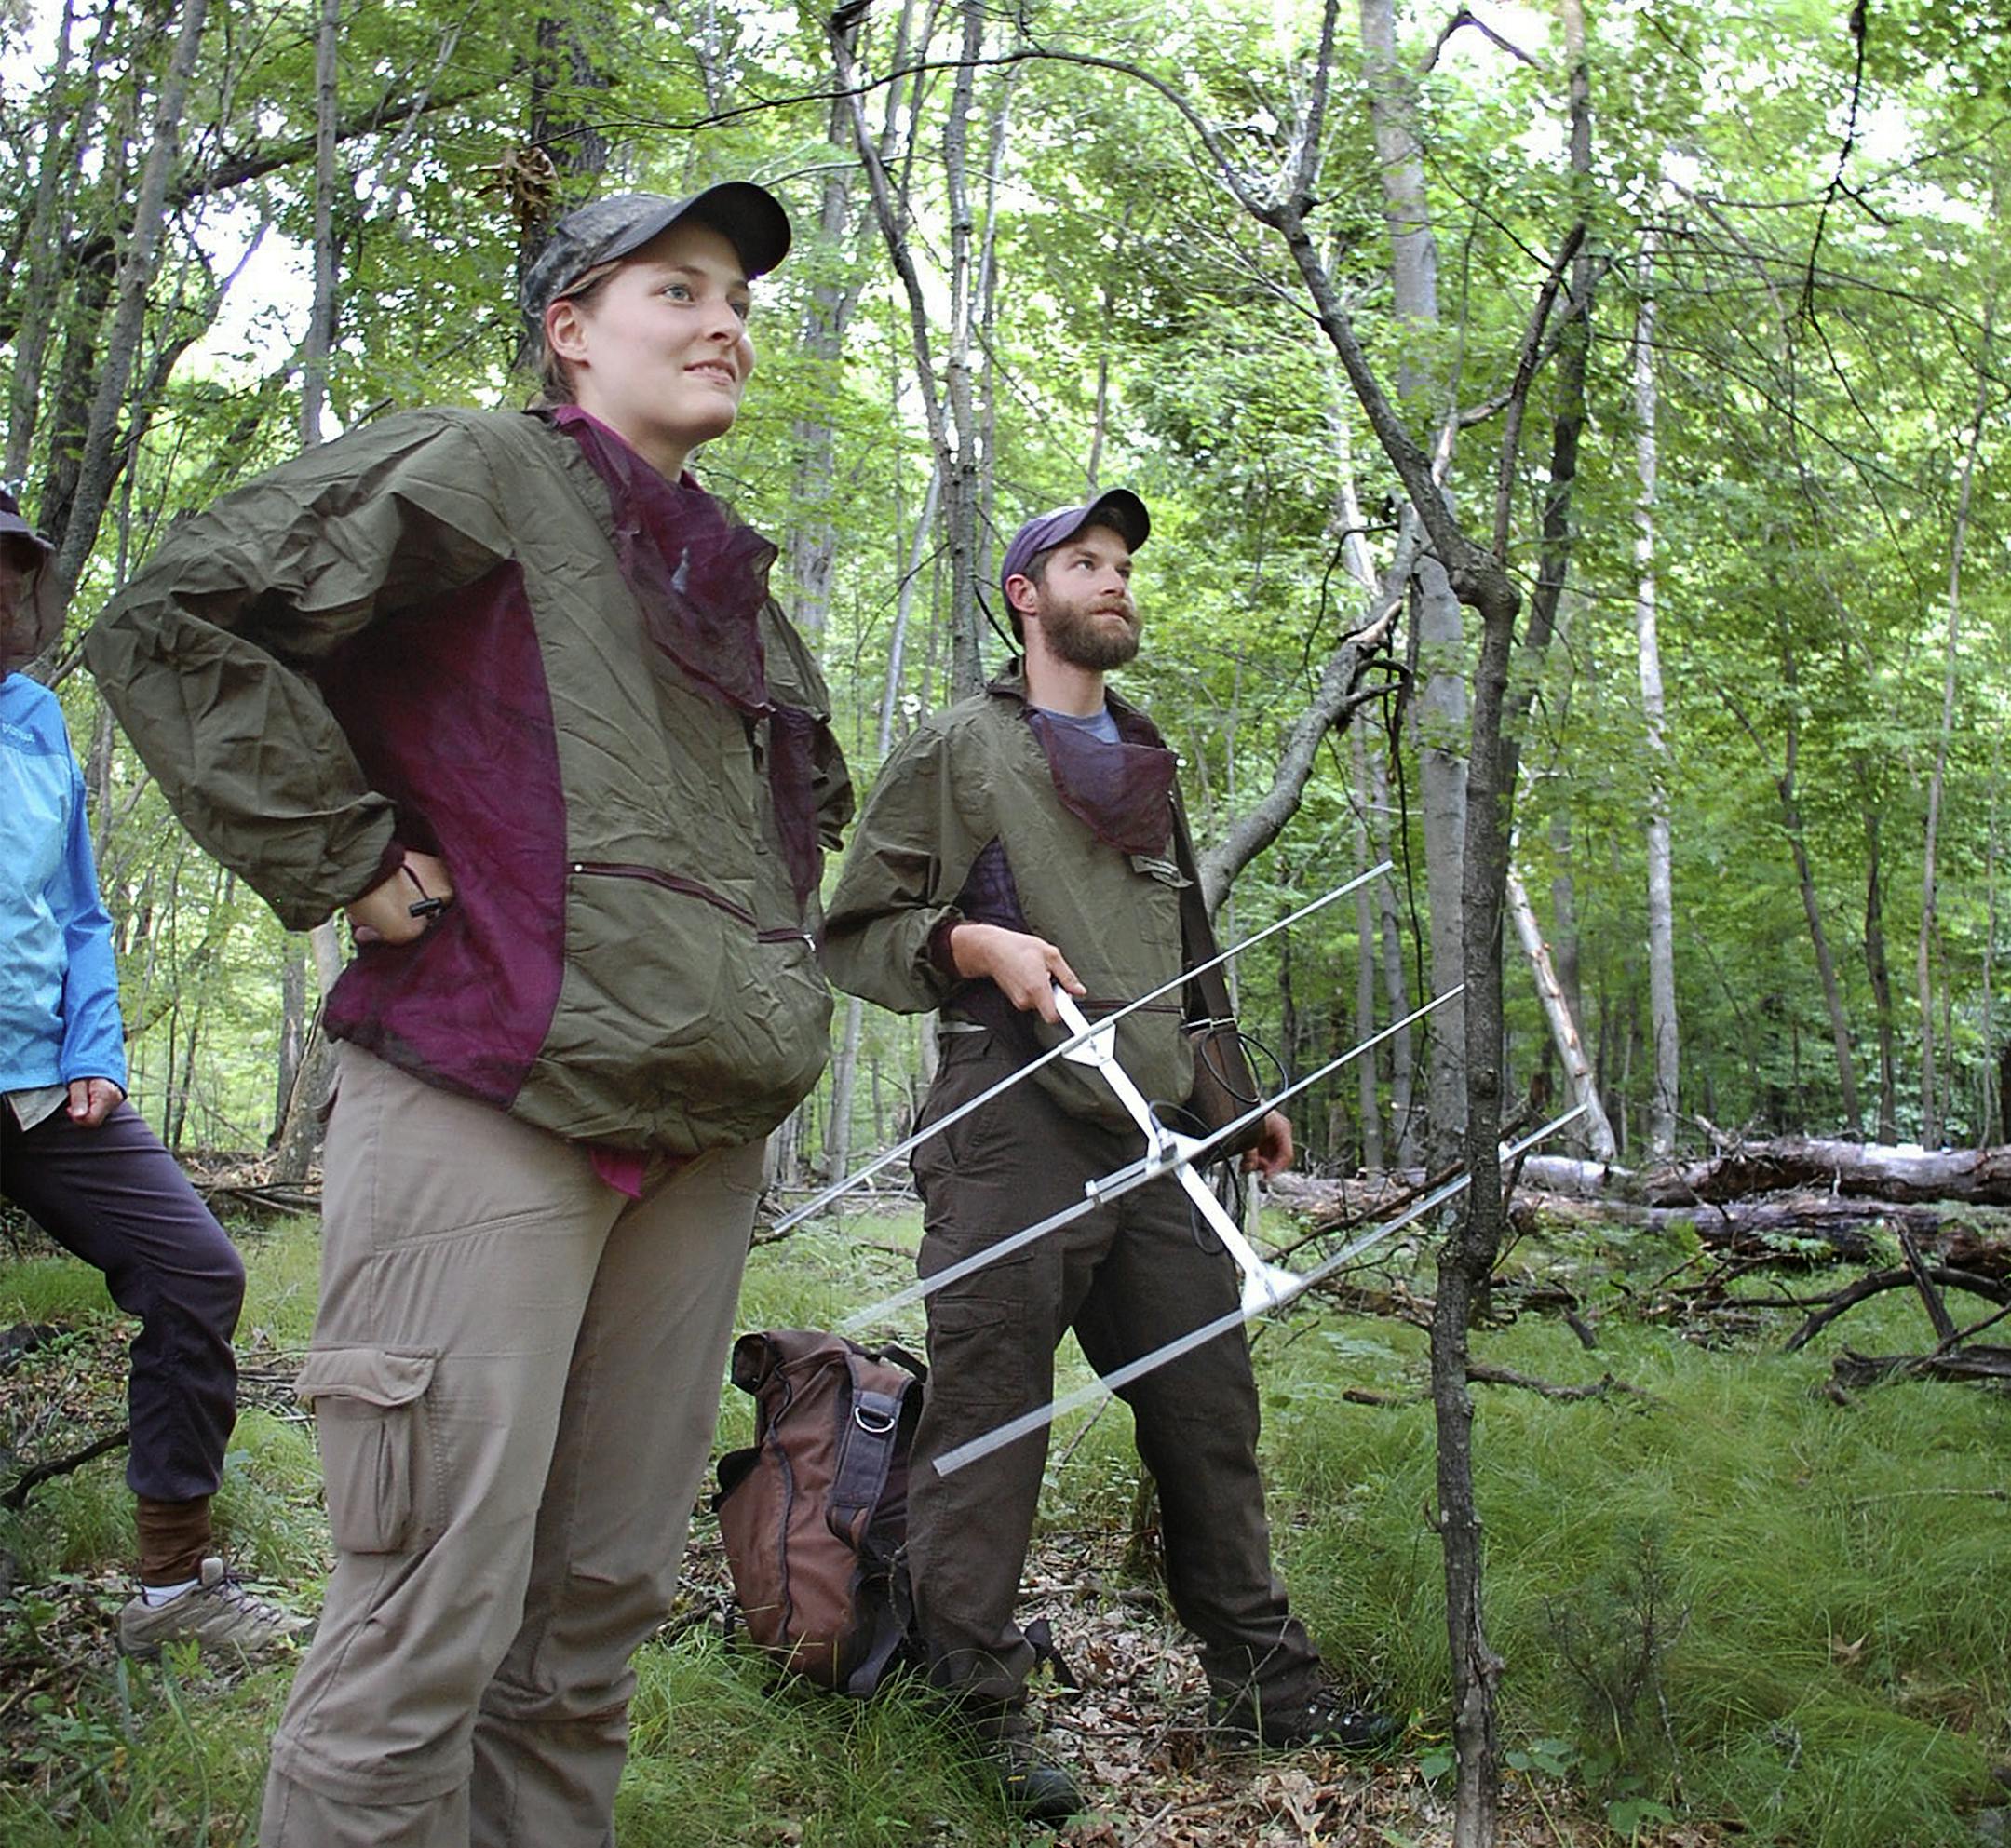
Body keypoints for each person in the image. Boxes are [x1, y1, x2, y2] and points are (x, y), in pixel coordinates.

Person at [85, 183, 852, 1848]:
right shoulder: (481, 468)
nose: (723, 320)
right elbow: (176, 619)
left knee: (586, 1631)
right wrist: (346, 857)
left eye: (736, 296)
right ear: (572, 329)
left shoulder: (743, 598)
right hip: (483, 1087)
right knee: (423, 1619)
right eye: (676, 288)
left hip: (699, 1140)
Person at [820, 490, 1397, 1819]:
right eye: (1089, 562)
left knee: (1210, 1416)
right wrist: (976, 945)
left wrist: (1235, 1097)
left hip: (1158, 1133)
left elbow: (1193, 955)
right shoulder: (963, 745)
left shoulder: (1144, 752)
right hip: (1007, 1123)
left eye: (1126, 565)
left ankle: (1269, 1686)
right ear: (1028, 595)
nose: (1118, 581)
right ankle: (973, 1700)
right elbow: (855, 929)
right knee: (992, 1415)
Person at [0, 489, 302, 1658]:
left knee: (195, 1270)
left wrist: (94, 1048)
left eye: (9, 569)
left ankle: (172, 1586)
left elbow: (78, 912)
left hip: (43, 1082)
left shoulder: (30, 720)